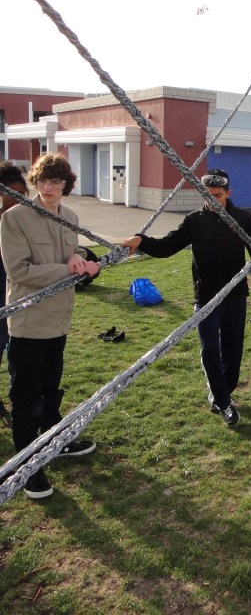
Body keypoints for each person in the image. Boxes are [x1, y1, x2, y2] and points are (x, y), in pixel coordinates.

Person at [122, 170, 251, 428]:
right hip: (205, 296)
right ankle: (224, 402)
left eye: (218, 196)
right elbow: (167, 247)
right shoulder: (194, 221)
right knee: (209, 349)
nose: (213, 201)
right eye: (207, 196)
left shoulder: (243, 218)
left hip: (235, 295)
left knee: (233, 348)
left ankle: (222, 392)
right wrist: (142, 241)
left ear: (228, 193)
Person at [0, 153, 100, 499]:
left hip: (59, 321)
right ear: (35, 182)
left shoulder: (70, 216)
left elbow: (75, 253)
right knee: (26, 398)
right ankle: (27, 469)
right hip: (28, 324)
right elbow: (19, 272)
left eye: (56, 181)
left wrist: (85, 260)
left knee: (51, 388)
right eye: (43, 180)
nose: (49, 187)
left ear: (66, 184)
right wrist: (70, 268)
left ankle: (56, 443)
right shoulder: (15, 218)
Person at [0, 162, 29, 425]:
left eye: (22, 196)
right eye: (12, 196)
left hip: (20, 303)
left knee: (17, 358)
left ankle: (18, 404)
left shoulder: (27, 222)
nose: (18, 202)